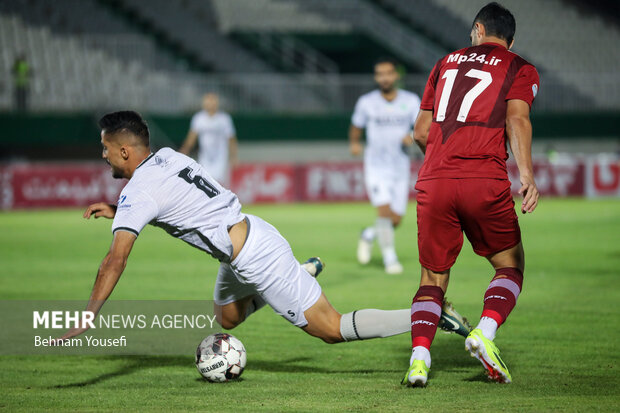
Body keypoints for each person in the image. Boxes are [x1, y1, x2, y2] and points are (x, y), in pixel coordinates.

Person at [57, 111, 472, 353]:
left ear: (124, 151)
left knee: (331, 329)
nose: (103, 154)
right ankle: (300, 273)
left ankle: (431, 316)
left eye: (106, 148)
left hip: (257, 257)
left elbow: (116, 258)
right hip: (246, 239)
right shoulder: (166, 157)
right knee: (228, 318)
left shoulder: (140, 190)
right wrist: (119, 209)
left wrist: (90, 314)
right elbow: (174, 204)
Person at [402, 2, 540, 387]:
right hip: (483, 177)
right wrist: (526, 174)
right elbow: (516, 117)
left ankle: (418, 360)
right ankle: (485, 332)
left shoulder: (445, 63)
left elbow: (419, 132)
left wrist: (442, 164)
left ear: (478, 29)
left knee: (432, 277)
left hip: (435, 180)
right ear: (510, 40)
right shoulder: (519, 66)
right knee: (510, 265)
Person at [349, 58, 421, 274]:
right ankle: (390, 259)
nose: (384, 77)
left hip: (400, 166)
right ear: (376, 77)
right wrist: (354, 143)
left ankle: (369, 235)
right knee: (384, 212)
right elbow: (356, 126)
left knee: (396, 219)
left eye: (388, 73)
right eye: (380, 74)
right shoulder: (366, 102)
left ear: (396, 75)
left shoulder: (410, 100)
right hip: (376, 167)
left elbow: (421, 125)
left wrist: (410, 135)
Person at [179, 93, 238, 185]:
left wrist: (233, 156)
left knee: (220, 184)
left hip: (221, 157)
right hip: (205, 157)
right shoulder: (198, 118)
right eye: (208, 102)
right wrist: (185, 150)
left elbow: (231, 139)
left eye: (212, 102)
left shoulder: (224, 119)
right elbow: (192, 137)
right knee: (205, 181)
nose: (210, 104)